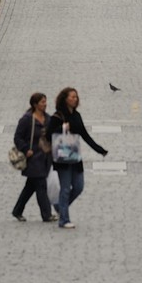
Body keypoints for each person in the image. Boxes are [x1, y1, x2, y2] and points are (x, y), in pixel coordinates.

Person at [46, 87, 108, 228]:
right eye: (72, 97)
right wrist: (62, 128)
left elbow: (85, 135)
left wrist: (100, 150)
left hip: (75, 156)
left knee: (79, 186)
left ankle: (60, 206)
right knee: (66, 188)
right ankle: (64, 220)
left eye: (76, 97)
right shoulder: (57, 116)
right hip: (62, 158)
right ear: (65, 99)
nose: (75, 99)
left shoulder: (77, 115)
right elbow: (48, 135)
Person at [11, 92, 56, 223]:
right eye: (42, 102)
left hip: (45, 158)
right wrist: (25, 149)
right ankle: (46, 215)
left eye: (45, 101)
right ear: (35, 104)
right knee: (41, 185)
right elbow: (17, 137)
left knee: (30, 186)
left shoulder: (47, 118)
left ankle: (17, 210)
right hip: (33, 159)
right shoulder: (27, 119)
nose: (45, 104)